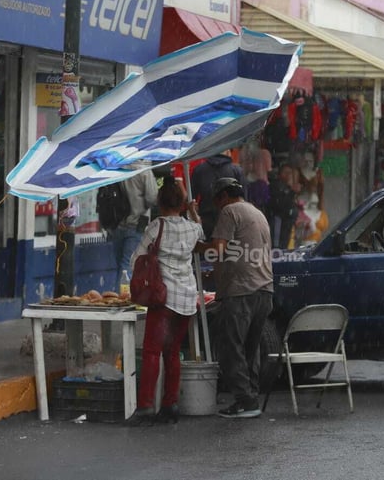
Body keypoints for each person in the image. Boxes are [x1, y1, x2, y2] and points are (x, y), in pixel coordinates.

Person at [125, 176, 204, 426]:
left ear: (160, 203)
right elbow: (199, 226)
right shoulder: (193, 229)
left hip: (163, 298)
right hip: (187, 297)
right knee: (173, 353)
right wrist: (192, 212)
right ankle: (170, 405)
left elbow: (136, 259)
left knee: (151, 352)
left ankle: (146, 406)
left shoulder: (156, 227)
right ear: (181, 204)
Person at [199, 177, 274, 419]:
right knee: (250, 348)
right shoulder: (256, 213)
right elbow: (241, 250)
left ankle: (245, 400)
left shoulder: (230, 211)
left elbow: (217, 248)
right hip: (264, 290)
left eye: (217, 201)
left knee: (231, 348)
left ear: (223, 196)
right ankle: (250, 396)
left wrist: (195, 247)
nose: (218, 206)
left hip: (241, 292)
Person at [110, 170, 157, 291]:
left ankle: (117, 296)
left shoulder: (117, 167)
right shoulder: (144, 171)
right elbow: (152, 198)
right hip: (137, 223)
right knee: (128, 266)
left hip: (116, 223)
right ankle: (122, 298)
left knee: (120, 264)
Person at [190, 150, 245, 239]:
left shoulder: (199, 170)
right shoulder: (237, 170)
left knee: (208, 250)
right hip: (232, 221)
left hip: (206, 222)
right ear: (227, 152)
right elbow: (243, 198)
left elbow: (192, 198)